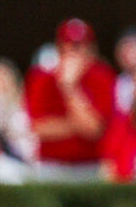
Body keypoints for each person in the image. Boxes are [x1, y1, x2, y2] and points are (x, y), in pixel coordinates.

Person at [24, 19, 116, 179]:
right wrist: (79, 125)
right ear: (59, 49)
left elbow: (94, 130)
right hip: (51, 165)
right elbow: (38, 128)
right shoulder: (41, 77)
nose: (75, 53)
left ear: (92, 50)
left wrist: (70, 87)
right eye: (70, 47)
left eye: (81, 47)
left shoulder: (102, 76)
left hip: (90, 165)